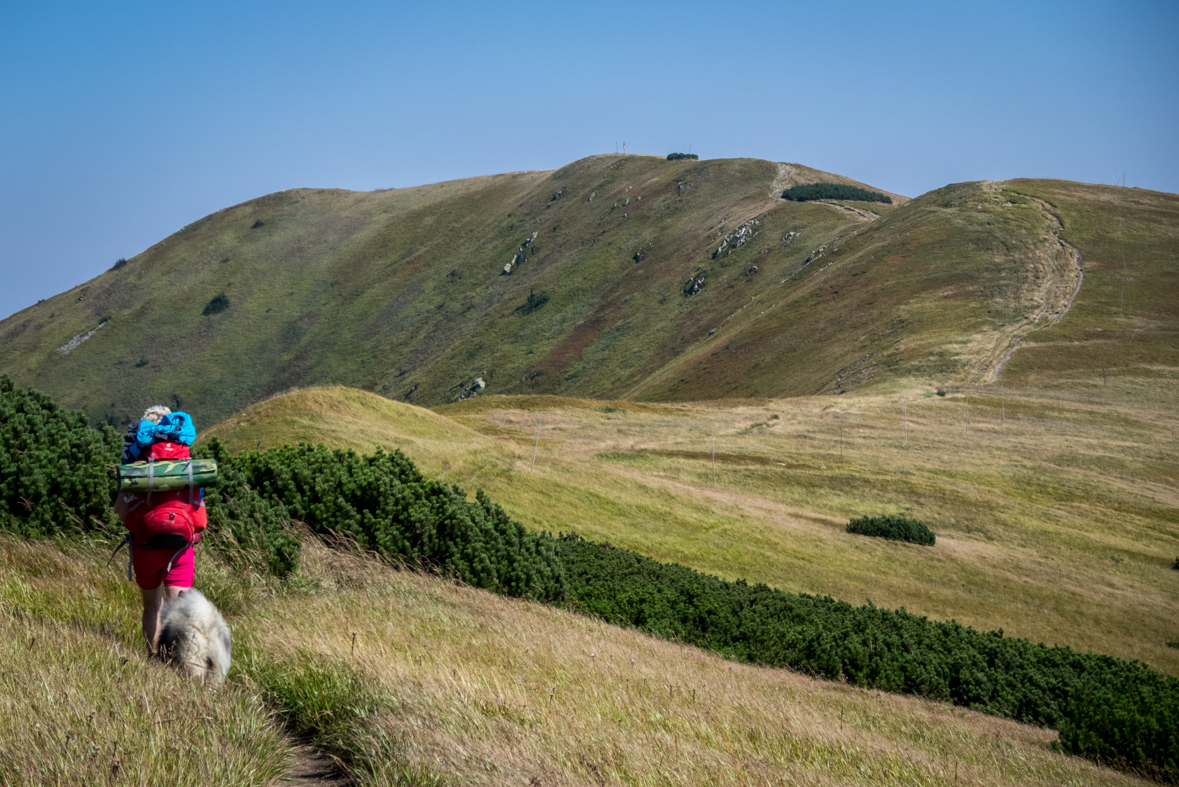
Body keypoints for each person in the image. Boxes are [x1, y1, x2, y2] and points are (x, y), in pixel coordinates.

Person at [114, 405, 207, 656]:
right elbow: (200, 515)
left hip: (145, 547)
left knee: (152, 607)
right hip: (180, 548)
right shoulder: (187, 467)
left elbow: (121, 511)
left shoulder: (137, 471)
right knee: (179, 609)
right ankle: (181, 662)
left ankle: (155, 662)